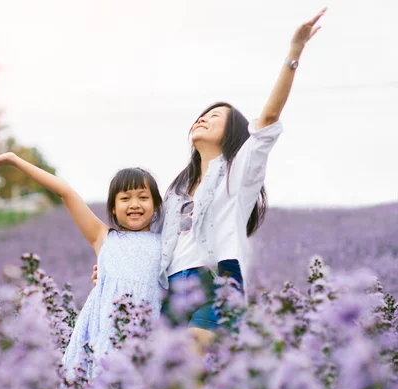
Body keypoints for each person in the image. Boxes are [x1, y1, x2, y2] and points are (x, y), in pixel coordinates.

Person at [92, 8, 327, 349]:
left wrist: (294, 52)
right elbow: (148, 238)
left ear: (231, 132)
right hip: (173, 288)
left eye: (214, 117)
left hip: (217, 279)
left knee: (191, 359)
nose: (202, 119)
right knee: (174, 379)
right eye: (201, 115)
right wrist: (111, 267)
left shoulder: (239, 173)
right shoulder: (176, 190)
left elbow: (269, 118)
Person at [0, 153, 163, 378]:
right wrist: (16, 161)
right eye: (125, 198)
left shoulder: (168, 243)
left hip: (148, 337)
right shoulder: (103, 238)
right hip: (103, 335)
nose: (134, 205)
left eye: (143, 197)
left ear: (157, 204)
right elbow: (65, 192)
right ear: (112, 207)